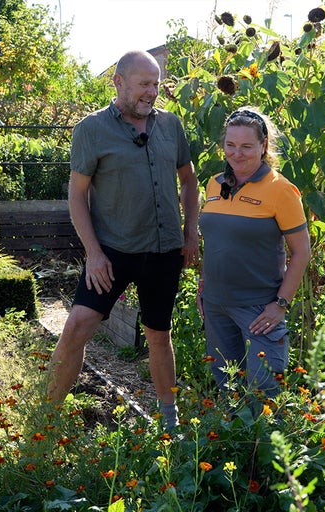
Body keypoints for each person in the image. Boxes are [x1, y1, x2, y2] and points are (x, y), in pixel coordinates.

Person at [47, 50, 199, 430]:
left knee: (159, 335)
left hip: (164, 250)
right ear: (119, 82)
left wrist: (190, 230)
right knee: (78, 326)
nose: (152, 92)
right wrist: (93, 253)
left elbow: (189, 180)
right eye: (144, 84)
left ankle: (169, 424)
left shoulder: (170, 126)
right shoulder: (92, 129)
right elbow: (77, 196)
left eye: (156, 84)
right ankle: (44, 418)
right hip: (112, 252)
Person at [197, 107, 311, 398]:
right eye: (230, 145)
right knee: (228, 389)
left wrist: (280, 304)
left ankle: (266, 445)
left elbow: (301, 252)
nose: (237, 154)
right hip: (215, 306)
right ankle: (234, 444)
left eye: (247, 146)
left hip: (258, 310)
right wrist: (203, 286)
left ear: (263, 146)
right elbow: (213, 240)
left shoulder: (281, 190)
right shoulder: (215, 184)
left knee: (264, 393)